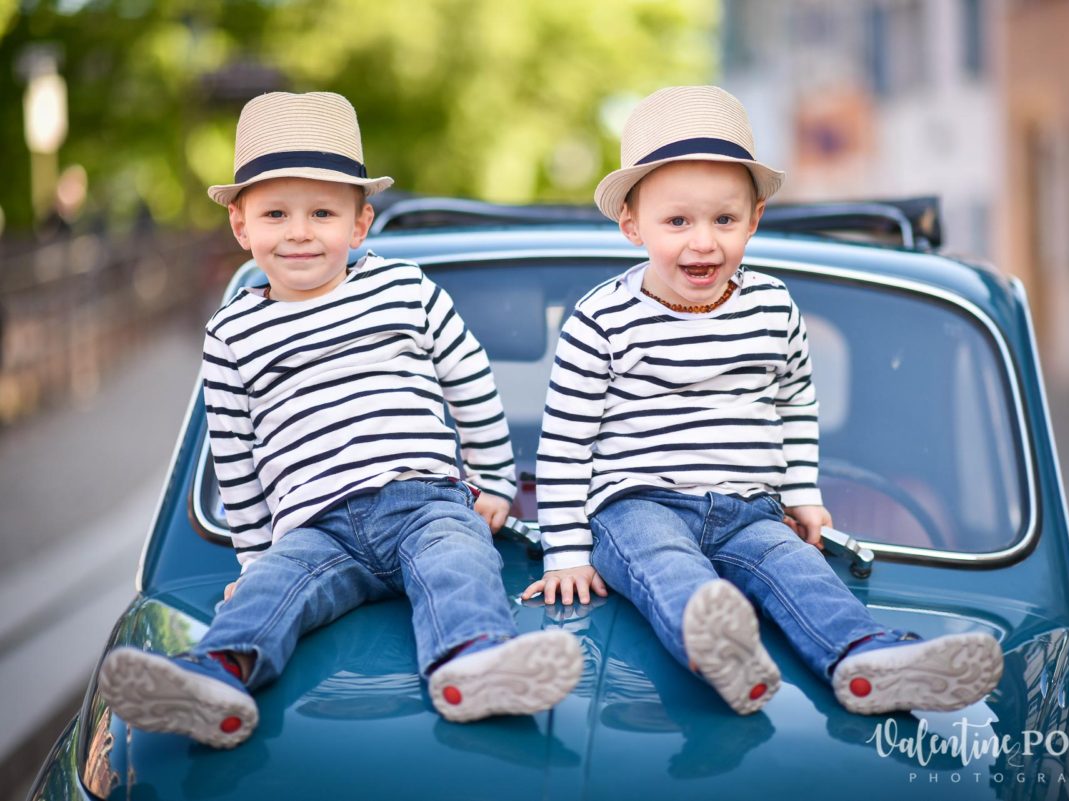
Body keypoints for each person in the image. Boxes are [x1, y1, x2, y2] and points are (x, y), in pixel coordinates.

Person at [98, 92, 581, 748]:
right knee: (269, 589)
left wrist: (495, 478)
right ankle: (214, 678)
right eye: (276, 213)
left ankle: (473, 662)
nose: (299, 231)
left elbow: (468, 374)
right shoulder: (232, 330)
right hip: (314, 525)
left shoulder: (404, 289)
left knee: (463, 560)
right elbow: (235, 452)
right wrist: (255, 553)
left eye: (322, 212)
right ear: (242, 226)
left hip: (426, 501)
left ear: (359, 225)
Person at [522, 85, 1002, 716]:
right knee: (667, 565)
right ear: (632, 225)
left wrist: (803, 493)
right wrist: (565, 552)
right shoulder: (600, 318)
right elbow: (564, 443)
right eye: (677, 221)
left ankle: (867, 657)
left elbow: (796, 398)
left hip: (750, 507)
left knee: (800, 570)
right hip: (636, 504)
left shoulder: (772, 308)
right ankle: (721, 647)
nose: (703, 243)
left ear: (754, 219)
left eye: (724, 220)